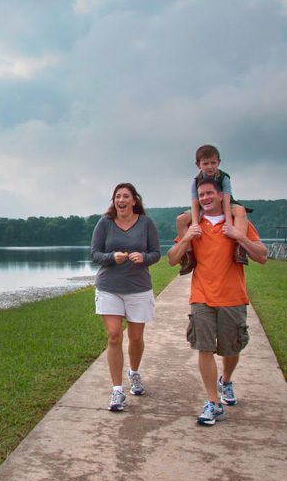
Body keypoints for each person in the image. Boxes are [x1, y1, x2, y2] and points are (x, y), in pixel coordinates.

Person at [167, 177, 267, 426]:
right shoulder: (195, 224)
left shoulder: (237, 223)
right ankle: (213, 402)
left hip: (232, 296)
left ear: (221, 196)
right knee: (204, 347)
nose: (205, 198)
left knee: (231, 349)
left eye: (210, 193)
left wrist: (238, 236)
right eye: (201, 195)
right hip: (201, 296)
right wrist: (188, 238)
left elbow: (262, 256)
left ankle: (227, 380)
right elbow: (171, 259)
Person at [90, 182, 161, 412]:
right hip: (109, 287)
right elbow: (94, 253)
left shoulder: (146, 223)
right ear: (114, 201)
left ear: (134, 200)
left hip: (138, 288)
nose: (121, 200)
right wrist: (112, 257)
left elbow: (156, 253)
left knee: (136, 337)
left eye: (125, 196)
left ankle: (134, 372)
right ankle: (117, 391)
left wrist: (144, 258)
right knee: (113, 336)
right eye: (117, 196)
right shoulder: (105, 223)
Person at [176, 144, 252, 275]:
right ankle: (188, 255)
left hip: (224, 203)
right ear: (198, 165)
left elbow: (227, 201)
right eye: (205, 163)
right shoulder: (195, 181)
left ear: (219, 162)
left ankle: (240, 248)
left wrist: (228, 223)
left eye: (213, 163)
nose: (210, 167)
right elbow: (194, 204)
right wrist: (194, 224)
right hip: (203, 206)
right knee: (181, 219)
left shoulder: (224, 178)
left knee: (240, 211)